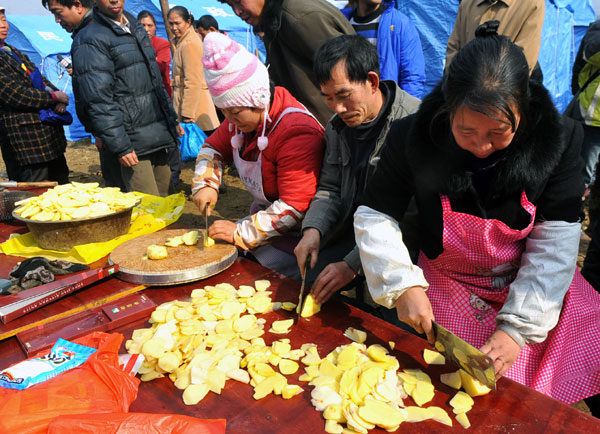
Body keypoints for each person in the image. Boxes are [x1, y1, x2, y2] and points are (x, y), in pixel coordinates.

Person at [353, 32, 600, 407]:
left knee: (543, 387)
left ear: (525, 112)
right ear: (449, 108)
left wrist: (518, 329)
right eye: (466, 131)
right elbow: (376, 213)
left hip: (533, 281)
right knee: (460, 394)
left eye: (498, 134)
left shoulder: (560, 139)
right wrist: (401, 284)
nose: (481, 146)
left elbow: (556, 239)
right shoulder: (413, 135)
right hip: (447, 281)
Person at [294, 35, 419, 305]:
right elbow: (330, 188)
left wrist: (351, 265)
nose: (338, 108)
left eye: (344, 95)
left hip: (401, 246)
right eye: (328, 98)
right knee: (299, 285)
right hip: (350, 234)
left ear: (372, 82)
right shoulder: (337, 127)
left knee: (391, 321)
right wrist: (312, 230)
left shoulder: (413, 124)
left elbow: (410, 217)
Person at [192, 32, 325, 276]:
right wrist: (206, 184)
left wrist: (241, 232)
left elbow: (295, 206)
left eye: (235, 112)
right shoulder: (239, 119)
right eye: (224, 112)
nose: (229, 120)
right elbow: (212, 148)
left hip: (301, 234)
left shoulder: (296, 131)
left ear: (259, 98)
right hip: (266, 218)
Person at [71, 0, 182, 196]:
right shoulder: (91, 37)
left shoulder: (134, 25)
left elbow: (154, 79)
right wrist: (121, 146)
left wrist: (170, 118)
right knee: (147, 206)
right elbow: (99, 100)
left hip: (154, 130)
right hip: (131, 138)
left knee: (167, 198)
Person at [218, 0, 355, 126]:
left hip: (336, 130)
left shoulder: (298, 17)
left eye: (238, 2)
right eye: (231, 5)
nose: (237, 11)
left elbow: (351, 76)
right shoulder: (275, 19)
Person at [43, 0, 126, 192]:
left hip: (114, 129)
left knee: (121, 190)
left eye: (58, 12)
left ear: (78, 5)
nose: (56, 20)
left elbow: (99, 95)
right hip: (114, 127)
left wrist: (102, 132)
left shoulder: (88, 37)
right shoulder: (97, 31)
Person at [0, 6, 70, 184]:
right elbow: (16, 95)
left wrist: (56, 92)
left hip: (47, 134)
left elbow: (39, 76)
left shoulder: (10, 50)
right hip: (24, 140)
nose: (3, 25)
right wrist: (54, 98)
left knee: (60, 184)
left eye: (3, 19)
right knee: (34, 191)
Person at [341, 0, 425, 98]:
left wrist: (404, 111)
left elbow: (413, 77)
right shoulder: (342, 21)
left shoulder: (400, 23)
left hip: (385, 105)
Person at [445, 0, 545, 80]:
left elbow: (525, 58)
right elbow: (453, 49)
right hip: (464, 92)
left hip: (504, 95)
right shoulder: (467, 3)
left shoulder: (532, 3)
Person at [168, 6, 220, 136]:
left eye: (177, 23)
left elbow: (193, 80)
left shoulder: (190, 44)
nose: (174, 27)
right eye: (171, 24)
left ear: (188, 22)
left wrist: (187, 113)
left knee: (198, 154)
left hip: (195, 113)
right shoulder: (183, 42)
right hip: (190, 108)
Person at [571, 20, 600, 191]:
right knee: (584, 174)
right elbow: (590, 53)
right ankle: (576, 210)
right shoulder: (597, 29)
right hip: (593, 117)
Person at [137, 10, 171, 98]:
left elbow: (160, 66)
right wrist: (153, 59)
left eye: (150, 25)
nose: (146, 29)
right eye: (142, 25)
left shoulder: (162, 44)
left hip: (159, 93)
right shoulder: (132, 43)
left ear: (155, 27)